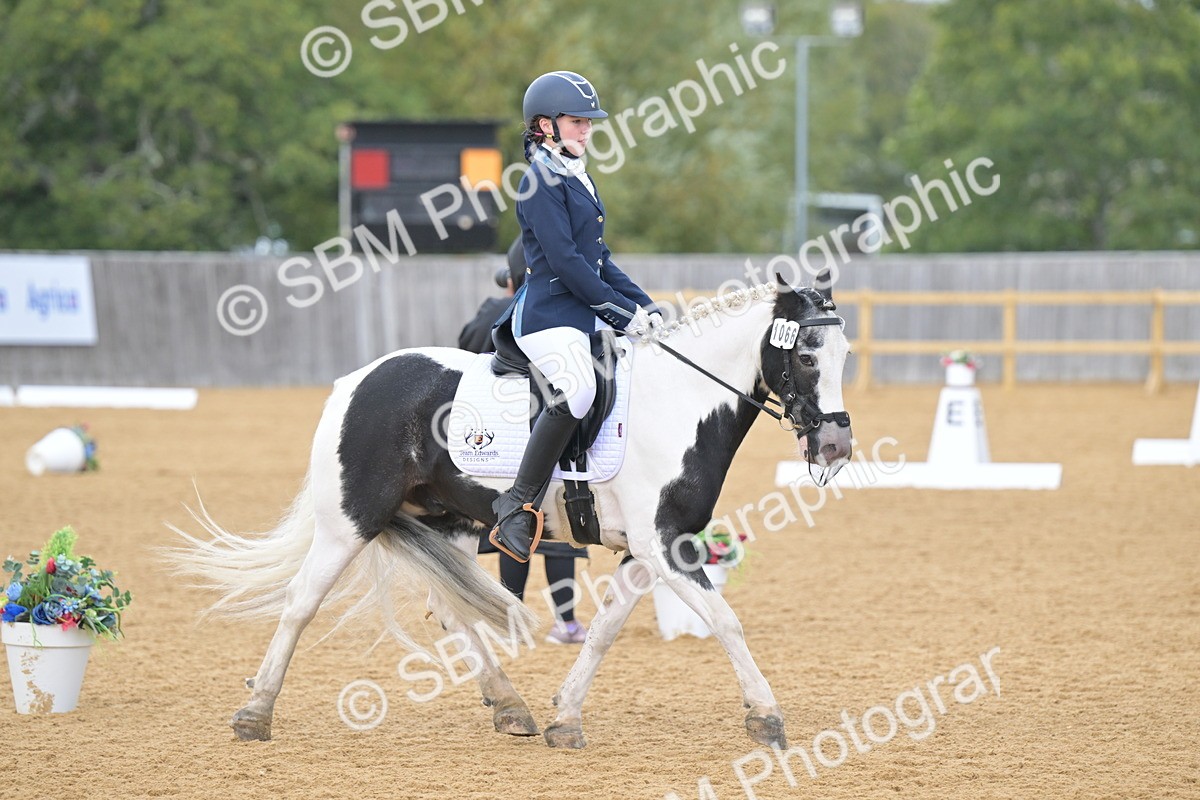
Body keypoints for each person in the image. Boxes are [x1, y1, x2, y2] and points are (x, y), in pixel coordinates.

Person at [488, 70, 661, 565]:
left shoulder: (575, 173)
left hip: (581, 314)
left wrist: (645, 306)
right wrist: (619, 313)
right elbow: (566, 262)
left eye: (588, 122)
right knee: (580, 389)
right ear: (546, 126)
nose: (587, 129)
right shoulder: (537, 181)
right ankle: (515, 505)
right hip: (547, 316)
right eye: (576, 121)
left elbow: (599, 259)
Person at [459, 240, 589, 644]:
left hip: (502, 429)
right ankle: (566, 621)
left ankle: (512, 618)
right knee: (558, 529)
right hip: (558, 424)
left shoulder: (496, 312)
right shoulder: (563, 315)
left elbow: (465, 348)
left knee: (514, 520)